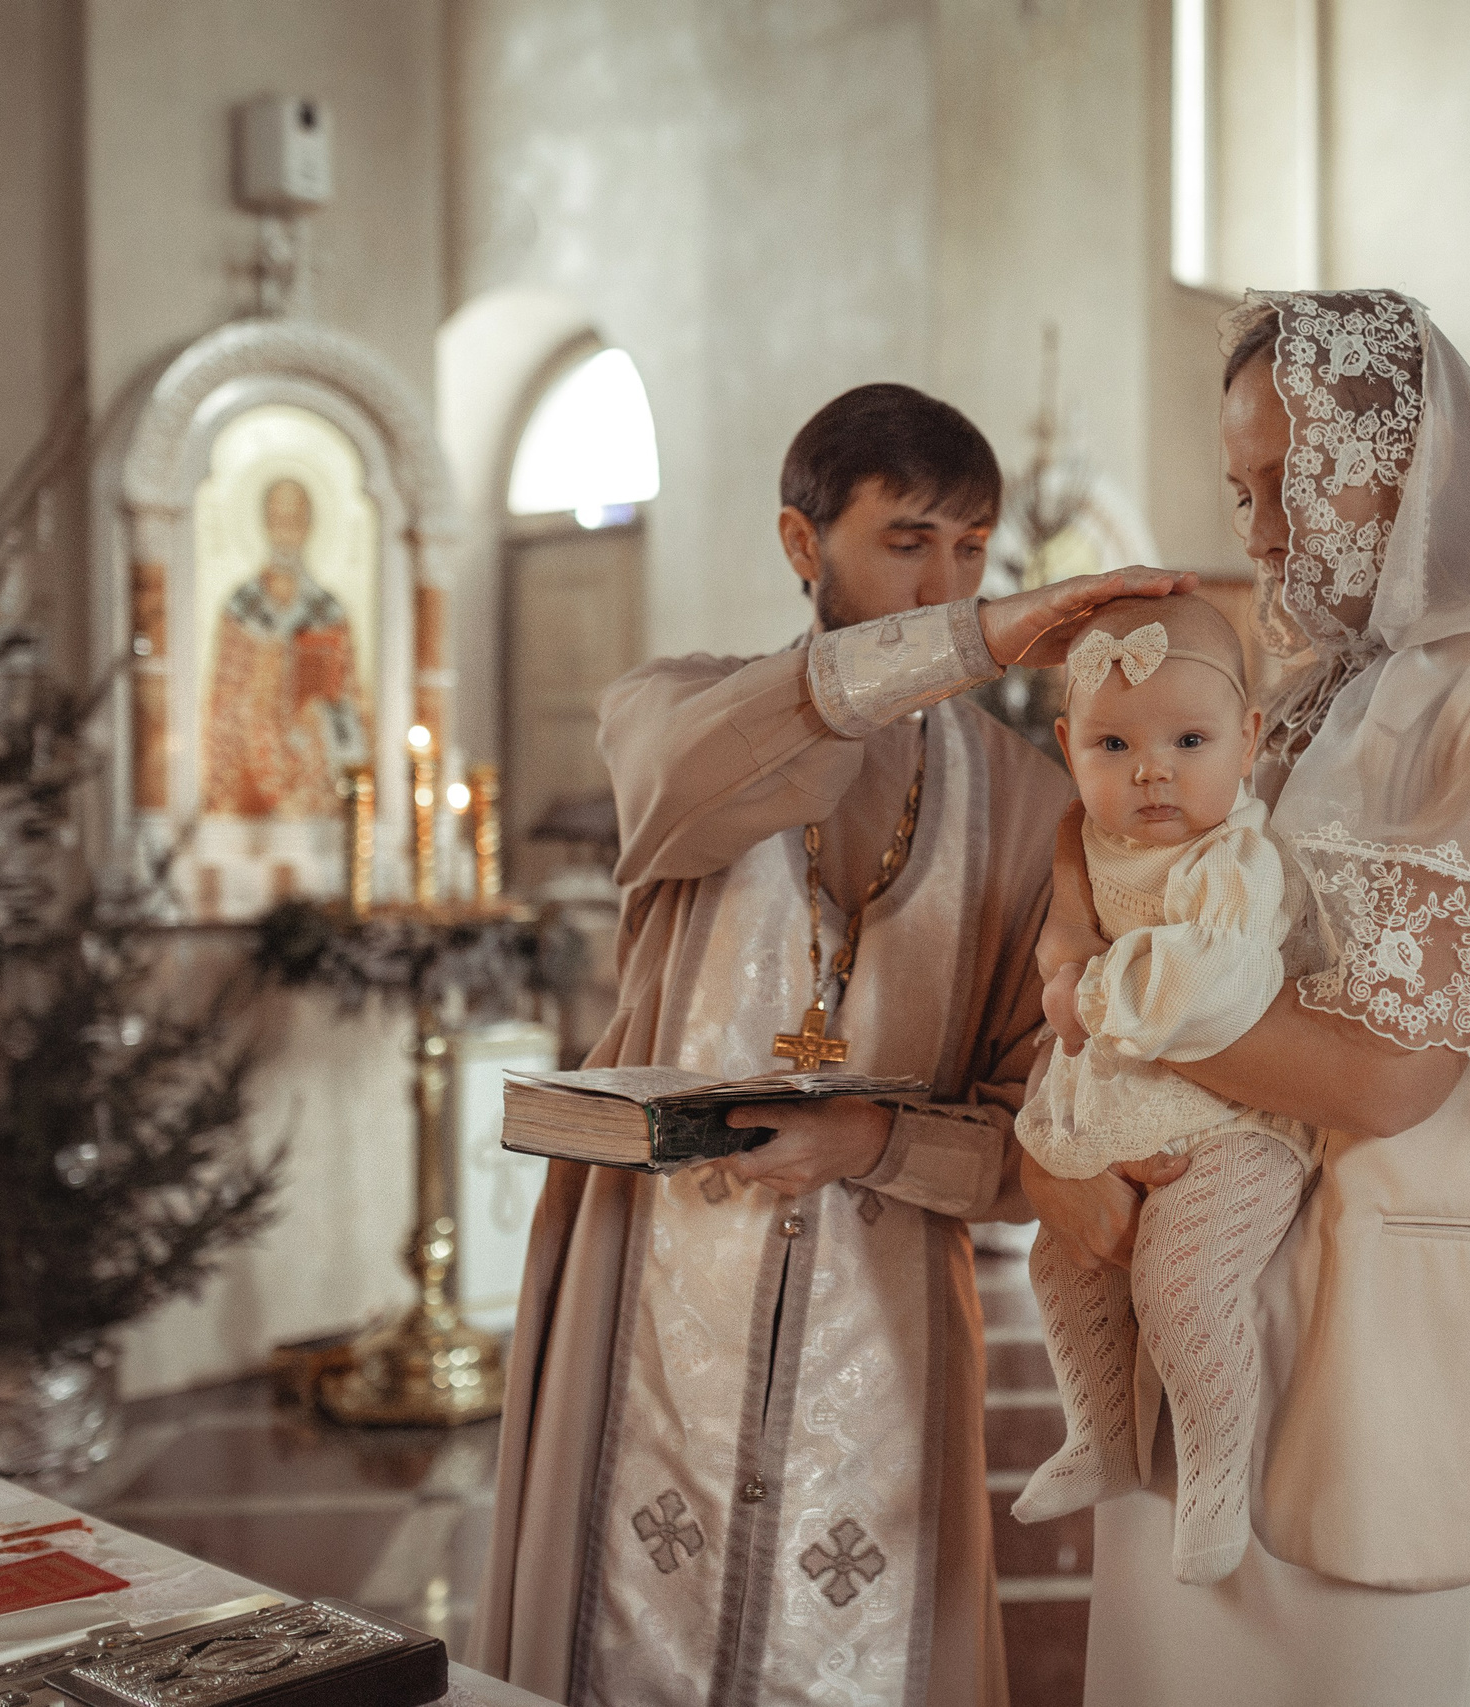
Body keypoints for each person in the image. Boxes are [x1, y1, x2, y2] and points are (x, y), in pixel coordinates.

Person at [1023, 291, 1470, 1706]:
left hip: (1392, 1330)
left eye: (1290, 481)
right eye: (1243, 490)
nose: (1263, 530)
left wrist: (1110, 1018)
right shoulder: (1311, 698)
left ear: (1407, 460)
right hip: (1221, 1297)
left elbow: (1386, 1074)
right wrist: (1067, 1148)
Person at [474, 381, 1193, 1707]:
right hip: (650, 1285)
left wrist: (870, 1137)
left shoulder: (1030, 802)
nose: (948, 576)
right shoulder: (673, 714)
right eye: (908, 540)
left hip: (888, 1318)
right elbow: (760, 748)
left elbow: (1040, 1130)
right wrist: (972, 636)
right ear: (806, 546)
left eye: (973, 549)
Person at [1008, 593, 1311, 1587]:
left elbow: (1208, 975)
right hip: (1117, 1104)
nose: (1152, 770)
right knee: (1061, 1266)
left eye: (1189, 739)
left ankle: (1217, 1475)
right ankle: (1098, 1433)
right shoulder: (1083, 839)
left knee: (1180, 1287)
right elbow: (1058, 937)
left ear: (1248, 739)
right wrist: (1063, 966)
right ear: (1066, 745)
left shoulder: (1231, 856)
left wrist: (1084, 987)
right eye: (1112, 744)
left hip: (1233, 1123)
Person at [200, 478, 367, 818]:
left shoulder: (329, 612)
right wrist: (262, 685)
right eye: (278, 519)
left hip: (315, 771)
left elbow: (349, 700)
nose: (286, 531)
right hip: (249, 770)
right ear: (264, 524)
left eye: (295, 520)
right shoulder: (240, 609)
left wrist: (319, 711)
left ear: (310, 526)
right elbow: (222, 701)